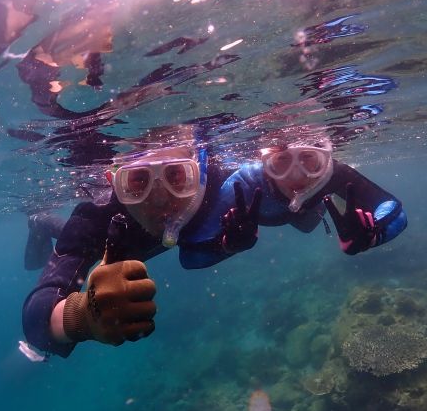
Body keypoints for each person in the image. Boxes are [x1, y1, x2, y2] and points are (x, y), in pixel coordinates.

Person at [21, 141, 259, 358]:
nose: (159, 200)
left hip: (132, 248)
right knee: (71, 234)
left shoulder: (219, 187)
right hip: (110, 244)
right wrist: (83, 315)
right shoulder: (96, 219)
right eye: (137, 181)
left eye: (175, 175)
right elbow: (35, 319)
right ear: (114, 182)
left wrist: (228, 243)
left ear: (200, 172)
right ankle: (40, 220)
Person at [180, 137, 407, 269]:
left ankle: (325, 204)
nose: (297, 176)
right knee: (306, 222)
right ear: (265, 164)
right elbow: (188, 257)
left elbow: (394, 211)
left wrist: (372, 234)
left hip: (307, 213)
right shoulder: (246, 182)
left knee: (307, 226)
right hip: (278, 215)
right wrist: (228, 244)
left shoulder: (334, 173)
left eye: (309, 159)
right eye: (281, 161)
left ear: (325, 161)